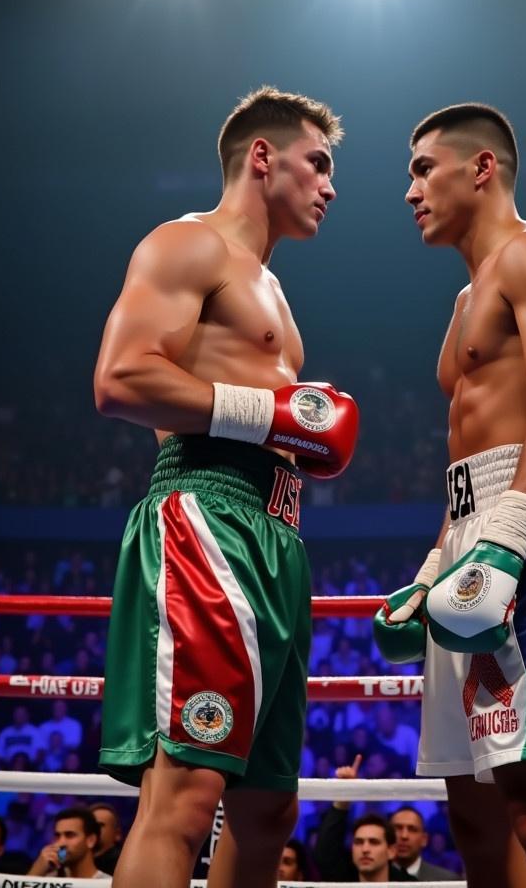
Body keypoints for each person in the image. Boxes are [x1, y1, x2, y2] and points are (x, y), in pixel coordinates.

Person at [93, 86, 359, 888]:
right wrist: (269, 410)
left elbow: (262, 417)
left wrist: (286, 426)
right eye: (318, 163)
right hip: (206, 514)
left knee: (268, 807)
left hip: (277, 534)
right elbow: (121, 378)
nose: (330, 185)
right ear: (262, 157)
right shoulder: (187, 245)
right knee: (184, 795)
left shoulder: (272, 288)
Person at [374, 102, 526, 888]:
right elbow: (468, 460)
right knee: (474, 809)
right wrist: (433, 564)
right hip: (472, 533)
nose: (409, 190)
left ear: (481, 168)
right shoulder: (463, 301)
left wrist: (506, 542)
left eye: (421, 168)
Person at [27, 806, 110, 880]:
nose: (60, 843)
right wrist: (35, 874)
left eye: (70, 835)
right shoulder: (48, 880)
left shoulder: (108, 884)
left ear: (91, 840)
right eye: (57, 836)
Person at [389, 806, 455, 880]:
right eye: (398, 828)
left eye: (412, 829)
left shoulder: (447, 881)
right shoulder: (374, 879)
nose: (404, 836)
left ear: (424, 840)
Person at [90, 802, 123, 875]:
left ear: (117, 834)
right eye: (91, 825)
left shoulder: (123, 863)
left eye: (100, 825)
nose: (94, 829)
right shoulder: (77, 860)